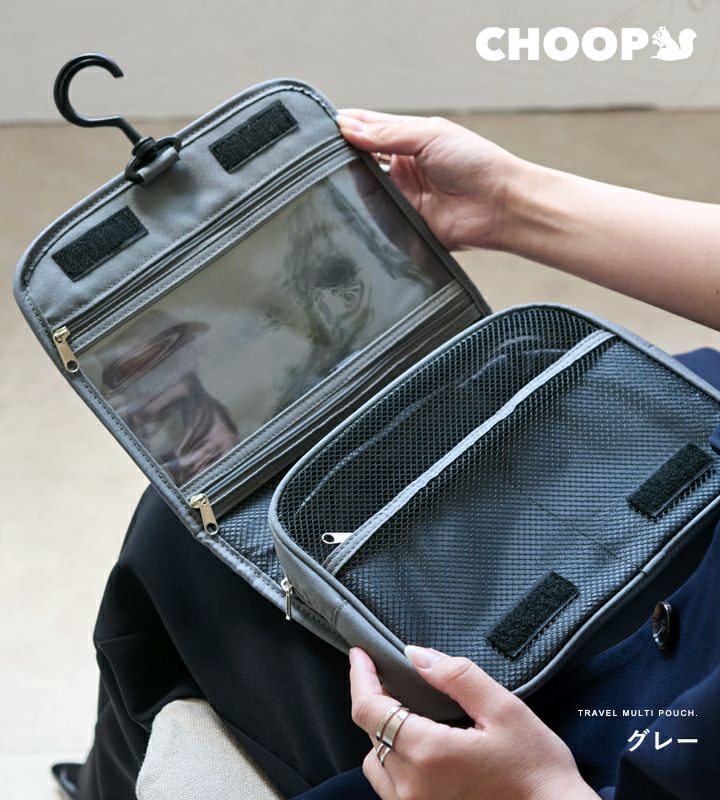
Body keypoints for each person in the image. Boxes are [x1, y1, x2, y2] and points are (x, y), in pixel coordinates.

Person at [54, 110, 720, 800]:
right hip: (690, 468)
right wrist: (510, 203)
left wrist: (532, 789)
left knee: (186, 549)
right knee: (209, 522)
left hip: (600, 744)